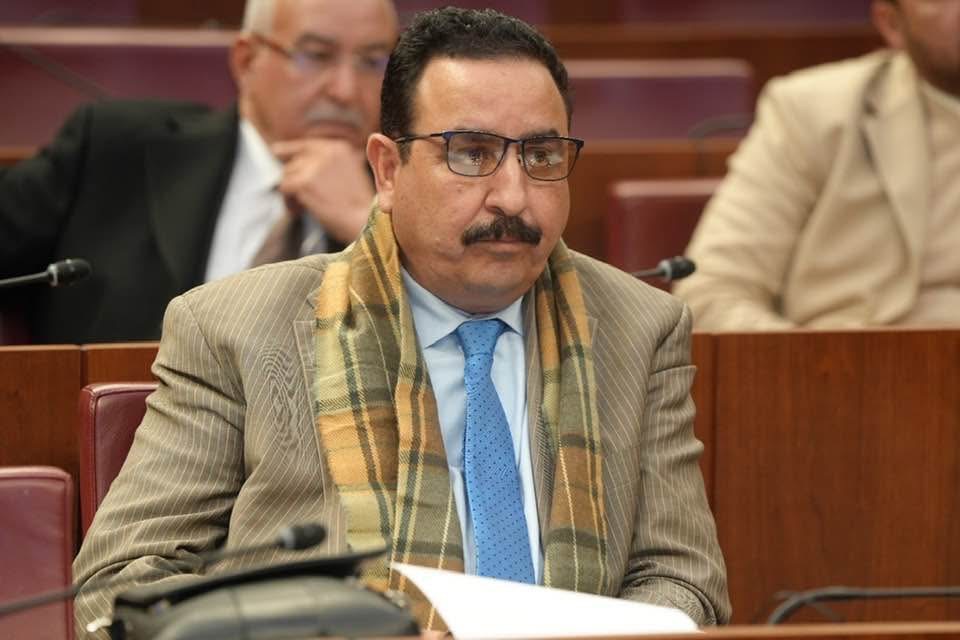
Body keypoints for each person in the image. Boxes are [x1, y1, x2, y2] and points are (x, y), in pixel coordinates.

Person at [73, 7, 730, 635]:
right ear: (388, 170)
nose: (512, 196)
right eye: (471, 153)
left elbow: (683, 581)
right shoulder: (237, 328)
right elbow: (120, 585)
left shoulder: (640, 327)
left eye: (541, 156)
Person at [0, 0, 398, 344]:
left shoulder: (405, 192)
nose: (345, 90)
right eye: (316, 56)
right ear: (246, 61)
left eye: (372, 62)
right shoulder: (114, 149)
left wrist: (366, 221)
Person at [673, 0, 960, 329]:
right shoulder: (811, 111)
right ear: (892, 23)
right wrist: (809, 358)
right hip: (850, 351)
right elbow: (710, 293)